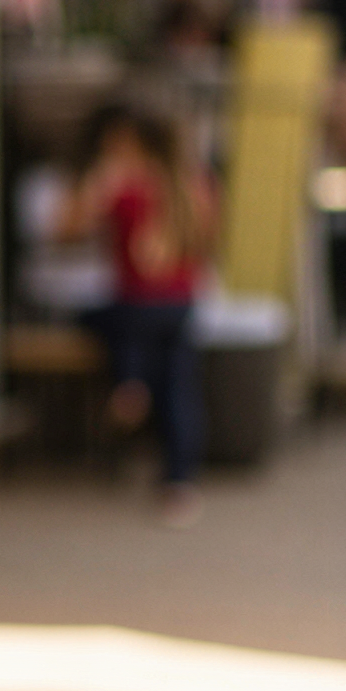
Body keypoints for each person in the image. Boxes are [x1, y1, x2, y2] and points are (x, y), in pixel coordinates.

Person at [63, 103, 213, 528]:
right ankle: (179, 484)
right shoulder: (191, 184)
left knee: (99, 316)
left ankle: (129, 381)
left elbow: (66, 229)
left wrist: (94, 185)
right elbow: (205, 245)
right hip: (180, 303)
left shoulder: (123, 185)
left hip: (134, 305)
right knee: (179, 386)